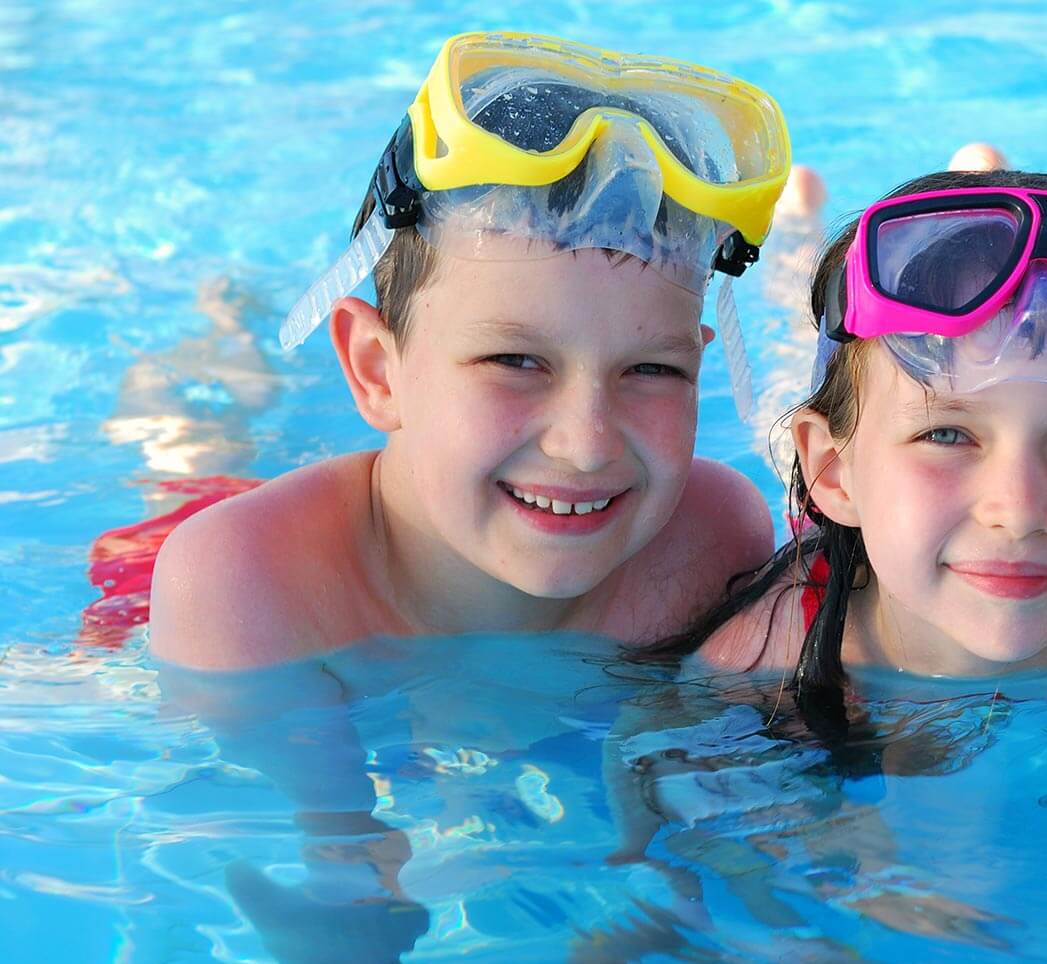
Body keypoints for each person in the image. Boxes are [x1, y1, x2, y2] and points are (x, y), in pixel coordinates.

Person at [149, 31, 791, 670]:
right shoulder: (252, 586)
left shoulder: (710, 545)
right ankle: (219, 353)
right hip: (152, 590)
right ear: (377, 371)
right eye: (514, 362)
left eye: (652, 368)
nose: (587, 445)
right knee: (192, 470)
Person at [638, 168, 1047, 736]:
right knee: (789, 382)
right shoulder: (770, 653)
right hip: (846, 542)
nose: (1019, 511)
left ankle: (987, 199)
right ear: (835, 471)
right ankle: (799, 248)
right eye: (947, 435)